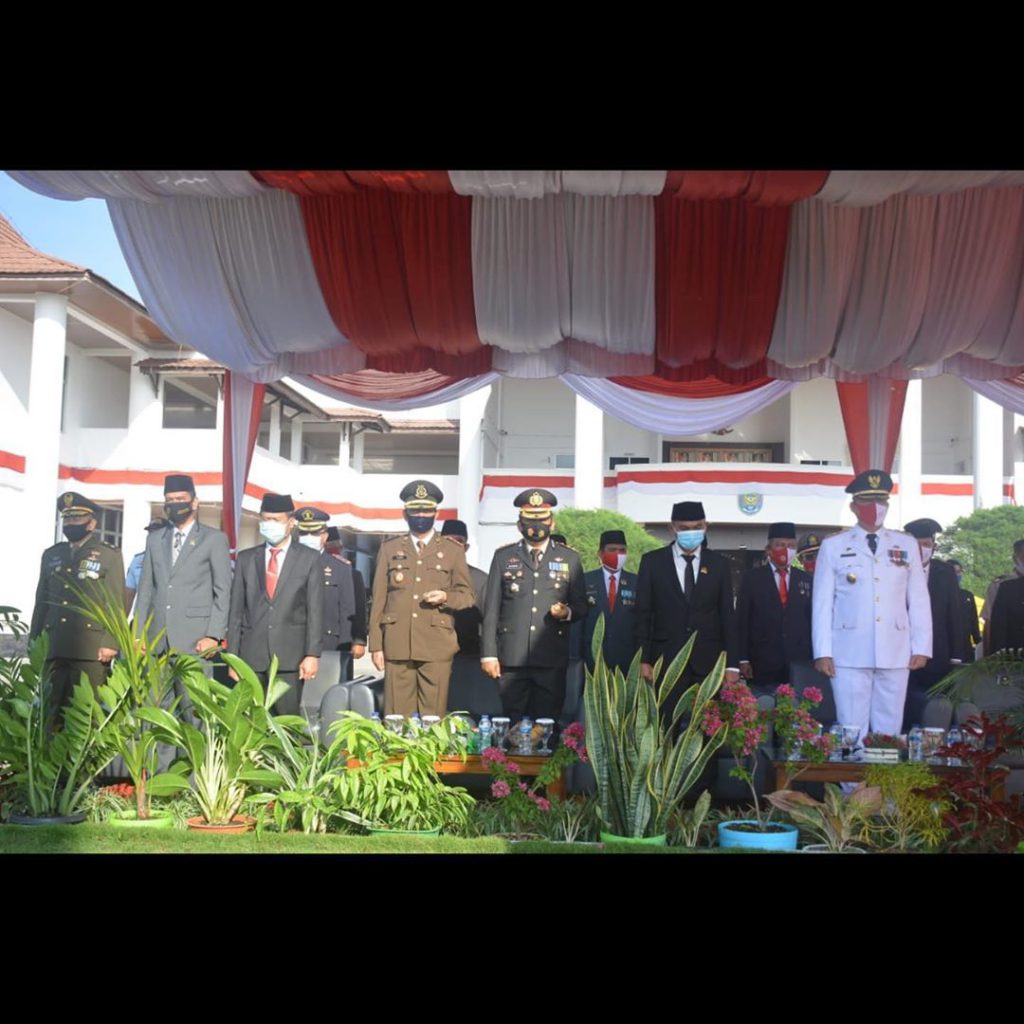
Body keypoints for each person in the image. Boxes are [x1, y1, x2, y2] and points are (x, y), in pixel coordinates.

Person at [812, 470, 932, 745]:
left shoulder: (906, 544)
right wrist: (823, 651)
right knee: (851, 729)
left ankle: (884, 775)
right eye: (867, 501)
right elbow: (822, 604)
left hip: (896, 648)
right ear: (854, 506)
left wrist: (922, 646)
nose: (875, 508)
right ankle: (853, 776)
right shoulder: (834, 546)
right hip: (848, 650)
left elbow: (918, 599)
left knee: (889, 729)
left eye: (881, 501)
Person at [368, 480, 475, 717]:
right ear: (405, 514)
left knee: (432, 717)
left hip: (436, 644)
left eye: (426, 511)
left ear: (436, 513)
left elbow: (467, 596)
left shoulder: (452, 550)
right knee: (396, 718)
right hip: (398, 643)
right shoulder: (389, 548)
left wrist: (445, 596)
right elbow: (378, 599)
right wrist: (376, 645)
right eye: (415, 511)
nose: (421, 516)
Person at [481, 489, 588, 724]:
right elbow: (491, 609)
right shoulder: (503, 556)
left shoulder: (569, 558)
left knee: (546, 725)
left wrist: (567, 612)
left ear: (552, 522)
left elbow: (582, 605)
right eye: (530, 521)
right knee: (512, 724)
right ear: (519, 525)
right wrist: (488, 654)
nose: (536, 526)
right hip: (512, 658)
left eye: (542, 520)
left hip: (550, 657)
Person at [634, 500, 740, 721]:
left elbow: (728, 616)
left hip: (708, 662)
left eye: (697, 527)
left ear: (706, 526)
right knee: (665, 727)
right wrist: (643, 660)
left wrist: (732, 665)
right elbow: (643, 614)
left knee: (708, 727)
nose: (691, 532)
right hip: (666, 661)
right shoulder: (652, 562)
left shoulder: (719, 564)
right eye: (684, 528)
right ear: (672, 528)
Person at [29, 491, 125, 719]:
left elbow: (115, 603)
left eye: (77, 518)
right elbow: (41, 602)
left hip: (90, 649)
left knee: (86, 715)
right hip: (54, 645)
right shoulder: (52, 554)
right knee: (51, 713)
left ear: (91, 523)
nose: (71, 523)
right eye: (68, 518)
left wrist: (110, 642)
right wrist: (35, 640)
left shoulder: (108, 555)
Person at [226, 493, 322, 715]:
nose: (270, 524)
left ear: (291, 523)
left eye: (276, 520)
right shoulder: (246, 559)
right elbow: (236, 612)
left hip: (290, 658)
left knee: (286, 723)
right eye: (266, 519)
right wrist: (233, 658)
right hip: (251, 657)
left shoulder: (308, 558)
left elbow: (315, 610)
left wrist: (312, 654)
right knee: (251, 721)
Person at [134, 474, 231, 663]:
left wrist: (214, 636)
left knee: (193, 685)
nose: (175, 504)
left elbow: (223, 591)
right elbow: (145, 590)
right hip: (156, 643)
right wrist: (137, 635)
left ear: (194, 502)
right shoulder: (155, 539)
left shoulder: (214, 539)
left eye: (180, 499)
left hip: (196, 642)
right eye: (169, 500)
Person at [736, 522, 813, 696]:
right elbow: (742, 620)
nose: (786, 550)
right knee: (763, 707)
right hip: (762, 661)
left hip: (799, 661)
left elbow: (812, 620)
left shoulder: (806, 579)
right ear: (768, 550)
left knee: (798, 708)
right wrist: (743, 658)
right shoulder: (752, 579)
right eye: (780, 545)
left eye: (791, 546)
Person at [901, 518, 965, 730]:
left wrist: (956, 656)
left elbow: (954, 615)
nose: (922, 550)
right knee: (902, 707)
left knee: (935, 709)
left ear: (934, 546)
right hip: (900, 653)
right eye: (917, 545)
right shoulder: (895, 568)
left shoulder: (944, 572)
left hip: (937, 654)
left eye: (927, 544)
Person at [294, 506, 366, 680]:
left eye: (314, 533)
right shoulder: (285, 565)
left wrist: (352, 643)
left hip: (328, 645)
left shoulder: (340, 569)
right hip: (292, 643)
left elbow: (348, 609)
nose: (308, 537)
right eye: (304, 533)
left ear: (325, 536)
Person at [581, 529, 638, 674]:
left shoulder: (637, 582)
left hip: (627, 656)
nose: (617, 554)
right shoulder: (585, 580)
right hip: (592, 656)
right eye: (612, 550)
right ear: (600, 553)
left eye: (622, 550)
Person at [980, 539, 1024, 653]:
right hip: (1012, 650)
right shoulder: (1001, 585)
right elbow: (990, 622)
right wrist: (990, 655)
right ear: (1016, 558)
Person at [123, 517, 167, 614]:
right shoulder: (137, 560)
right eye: (151, 532)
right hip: (141, 618)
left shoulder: (175, 561)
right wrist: (121, 620)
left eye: (157, 533)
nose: (153, 536)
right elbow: (129, 594)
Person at [948, 559, 981, 658]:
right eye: (954, 572)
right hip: (946, 647)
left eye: (959, 572)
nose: (957, 575)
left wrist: (979, 642)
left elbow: (974, 622)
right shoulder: (938, 596)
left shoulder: (967, 595)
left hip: (965, 647)